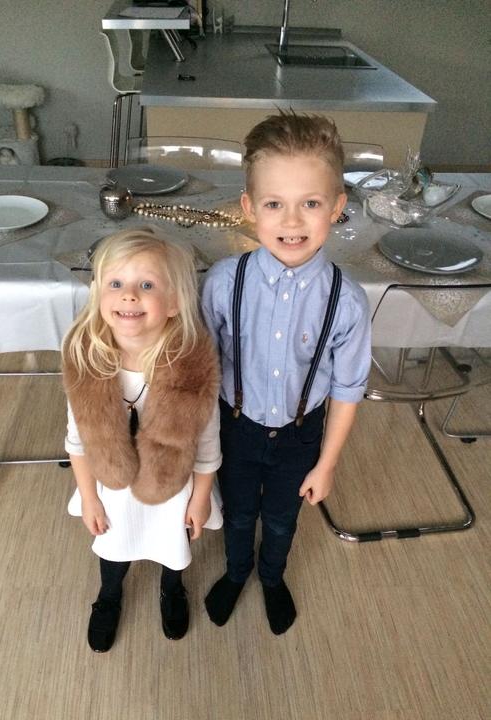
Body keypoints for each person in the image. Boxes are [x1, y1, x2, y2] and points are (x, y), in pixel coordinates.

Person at [201, 111, 371, 635]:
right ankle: (237, 571)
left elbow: (347, 388)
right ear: (250, 208)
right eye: (274, 204)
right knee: (237, 515)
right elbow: (201, 373)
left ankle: (271, 577)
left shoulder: (347, 301)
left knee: (280, 519)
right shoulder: (223, 282)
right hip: (235, 426)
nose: (292, 222)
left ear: (337, 207)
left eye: (311, 203)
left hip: (300, 436)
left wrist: (327, 464)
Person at [62, 227, 222, 652]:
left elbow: (208, 442)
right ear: (99, 294)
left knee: (173, 544)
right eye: (116, 283)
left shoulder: (191, 367)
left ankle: (172, 587)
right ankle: (108, 595)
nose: (129, 296)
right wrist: (89, 497)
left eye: (146, 285)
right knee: (113, 547)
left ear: (173, 302)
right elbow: (77, 439)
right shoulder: (88, 361)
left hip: (174, 485)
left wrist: (200, 497)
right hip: (111, 488)